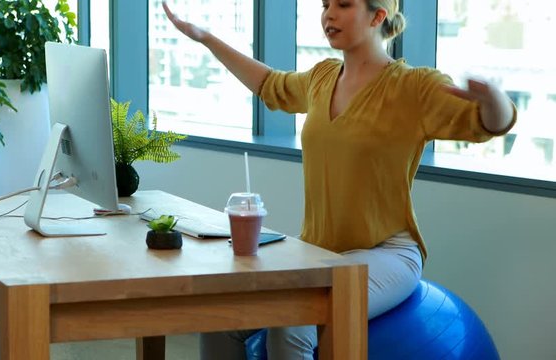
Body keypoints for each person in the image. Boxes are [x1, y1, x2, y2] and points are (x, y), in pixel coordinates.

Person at [162, 0, 516, 358]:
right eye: (325, 4)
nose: (328, 14)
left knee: (294, 317)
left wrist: (493, 97)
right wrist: (206, 38)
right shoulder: (321, 78)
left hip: (387, 252)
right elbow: (269, 84)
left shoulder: (414, 86)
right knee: (221, 316)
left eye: (343, 5)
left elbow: (490, 122)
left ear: (378, 16)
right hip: (318, 253)